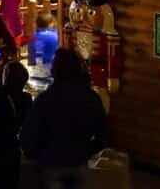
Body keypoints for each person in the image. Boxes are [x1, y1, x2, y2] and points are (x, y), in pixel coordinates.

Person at [21, 47, 107, 188]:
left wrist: (38, 154)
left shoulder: (45, 99)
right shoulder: (91, 98)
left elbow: (28, 137)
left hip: (51, 164)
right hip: (79, 163)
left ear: (55, 72)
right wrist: (85, 151)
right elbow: (102, 135)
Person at [28, 12, 60, 83]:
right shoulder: (55, 35)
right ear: (50, 24)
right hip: (49, 74)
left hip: (33, 73)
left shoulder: (32, 37)